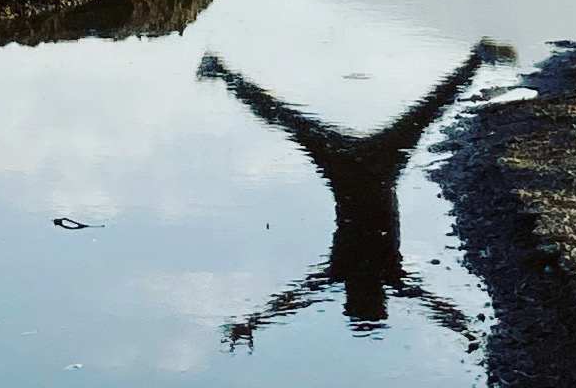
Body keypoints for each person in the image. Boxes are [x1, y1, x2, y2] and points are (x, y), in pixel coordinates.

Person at [199, 40, 513, 337]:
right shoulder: (364, 275)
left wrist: (256, 322)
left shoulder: (373, 275)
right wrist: (255, 322)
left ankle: (223, 72)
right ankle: (222, 71)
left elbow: (297, 298)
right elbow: (432, 306)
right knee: (424, 111)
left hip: (361, 169)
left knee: (290, 118)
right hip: (363, 169)